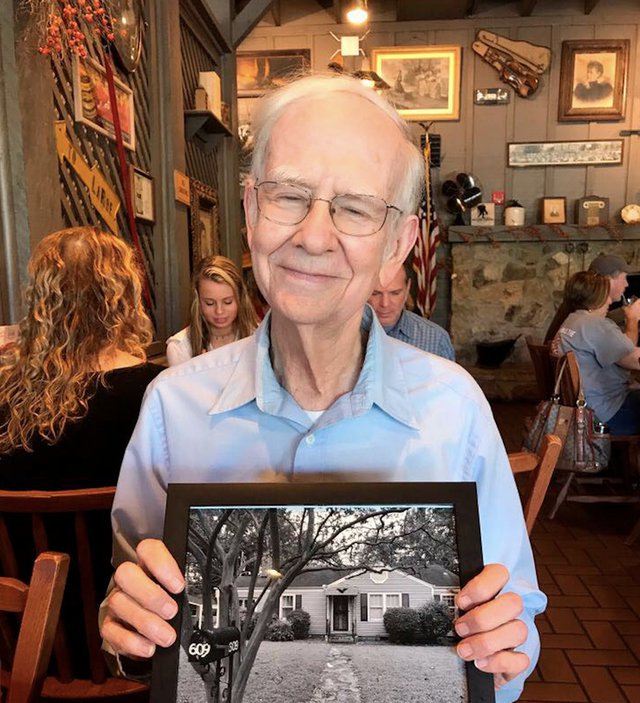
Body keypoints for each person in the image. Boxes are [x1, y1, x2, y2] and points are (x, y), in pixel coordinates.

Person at [101, 74, 544, 702]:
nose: (312, 235)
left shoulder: (456, 409)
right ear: (252, 211)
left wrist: (504, 653)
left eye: (356, 208)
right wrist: (124, 628)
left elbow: (517, 624)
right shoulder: (173, 408)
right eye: (289, 195)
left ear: (397, 247)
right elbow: (135, 618)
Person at [0, 226, 162, 677]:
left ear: (41, 303)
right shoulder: (157, 396)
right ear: (123, 296)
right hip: (123, 645)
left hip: (15, 648)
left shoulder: (5, 398)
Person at [0, 226, 162, 487]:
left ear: (43, 301)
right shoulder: (156, 390)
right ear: (122, 298)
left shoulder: (9, 391)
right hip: (117, 529)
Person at [555, 270, 640, 435]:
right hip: (605, 415)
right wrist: (633, 319)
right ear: (596, 297)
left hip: (584, 410)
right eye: (605, 295)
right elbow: (635, 361)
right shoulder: (596, 325)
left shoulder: (571, 320)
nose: (609, 300)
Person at [165, 255, 258, 366]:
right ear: (198, 301)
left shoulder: (260, 337)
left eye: (227, 302)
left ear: (240, 298)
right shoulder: (180, 347)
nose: (219, 311)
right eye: (210, 303)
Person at [368, 260, 455, 360]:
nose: (385, 304)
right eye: (375, 293)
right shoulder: (347, 333)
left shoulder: (436, 339)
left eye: (395, 293)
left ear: (407, 288)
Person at [544, 252, 634, 344]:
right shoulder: (588, 314)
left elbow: (606, 319)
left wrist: (625, 311)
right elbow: (626, 352)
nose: (626, 284)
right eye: (624, 278)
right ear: (608, 280)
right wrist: (632, 319)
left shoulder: (580, 303)